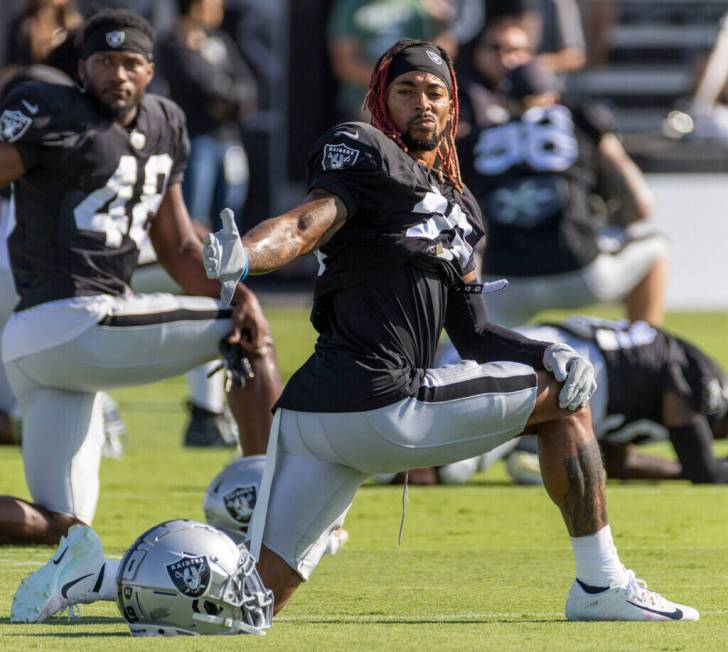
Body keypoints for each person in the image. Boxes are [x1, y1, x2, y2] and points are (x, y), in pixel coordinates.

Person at [13, 37, 698, 627]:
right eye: (407, 90)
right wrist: (248, 253)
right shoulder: (361, 148)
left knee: (248, 603)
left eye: (436, 92)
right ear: (381, 97)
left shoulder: (462, 209)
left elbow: (479, 332)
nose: (423, 103)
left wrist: (548, 348)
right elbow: (312, 219)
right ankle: (601, 584)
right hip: (378, 402)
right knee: (562, 400)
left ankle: (88, 577)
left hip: (319, 422)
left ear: (453, 107)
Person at [0, 8, 281, 547]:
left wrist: (231, 284)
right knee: (242, 325)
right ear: (81, 69)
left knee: (66, 529)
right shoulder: (53, 111)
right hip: (76, 316)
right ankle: (280, 506)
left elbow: (176, 247)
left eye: (130, 63)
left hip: (47, 347)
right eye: (104, 62)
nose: (118, 75)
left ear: (150, 70)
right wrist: (239, 299)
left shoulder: (164, 123)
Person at [458, 58, 669, 328]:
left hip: (502, 283)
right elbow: (641, 206)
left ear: (502, 99)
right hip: (579, 273)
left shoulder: (477, 137)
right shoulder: (579, 120)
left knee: (486, 363)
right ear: (553, 97)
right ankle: (645, 349)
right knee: (656, 246)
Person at [426, 316, 728, 485]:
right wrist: (698, 467)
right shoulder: (705, 381)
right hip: (557, 368)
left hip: (539, 355)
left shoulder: (655, 383)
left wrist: (677, 471)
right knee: (450, 466)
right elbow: (703, 468)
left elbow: (618, 463)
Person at [327, 0, 456, 121]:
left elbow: (442, 56)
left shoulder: (420, 5)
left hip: (416, 98)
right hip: (366, 100)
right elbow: (345, 66)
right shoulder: (350, 5)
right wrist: (395, 83)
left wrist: (442, 27)